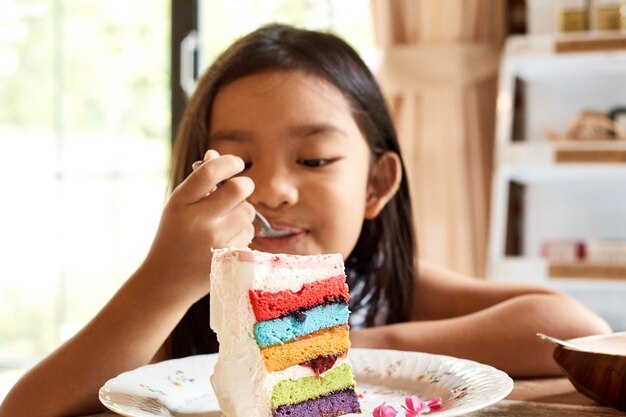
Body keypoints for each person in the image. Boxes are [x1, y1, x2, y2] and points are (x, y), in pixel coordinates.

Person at [0, 23, 611, 417]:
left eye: (314, 158)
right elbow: (27, 410)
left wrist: (336, 351)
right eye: (238, 163)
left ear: (376, 185)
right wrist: (166, 279)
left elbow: (570, 323)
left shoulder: (378, 284)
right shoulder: (191, 304)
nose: (273, 190)